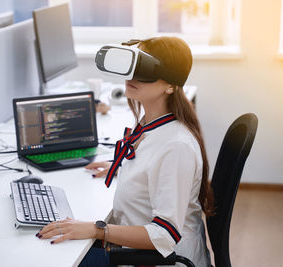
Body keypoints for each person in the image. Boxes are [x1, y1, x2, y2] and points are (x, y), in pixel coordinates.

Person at [36, 36, 214, 267]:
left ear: (171, 85)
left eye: (145, 69)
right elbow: (153, 167)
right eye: (133, 65)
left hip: (163, 260)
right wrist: (128, 169)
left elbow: (165, 234)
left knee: (58, 256)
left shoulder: (176, 147)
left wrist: (96, 230)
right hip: (136, 249)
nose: (133, 76)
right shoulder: (151, 124)